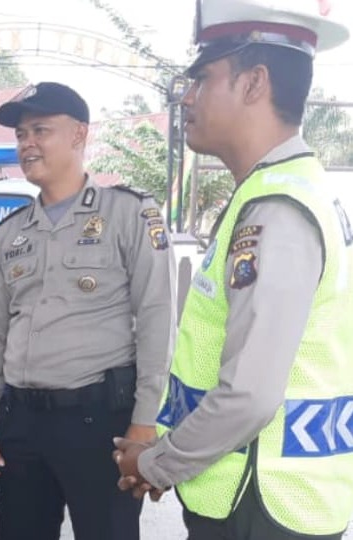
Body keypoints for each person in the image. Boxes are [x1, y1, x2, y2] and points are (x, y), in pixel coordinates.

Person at [113, 2, 353, 539]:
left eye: (201, 79)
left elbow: (250, 396)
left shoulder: (277, 211)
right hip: (263, 498)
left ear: (254, 83)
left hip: (261, 506)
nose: (187, 97)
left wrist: (155, 464)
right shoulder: (285, 191)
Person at [0, 82, 177, 540]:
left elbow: (158, 319)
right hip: (20, 424)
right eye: (21, 134)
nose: (27, 143)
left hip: (97, 422)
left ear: (80, 135)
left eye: (41, 129)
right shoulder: (12, 233)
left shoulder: (128, 213)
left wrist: (144, 423)